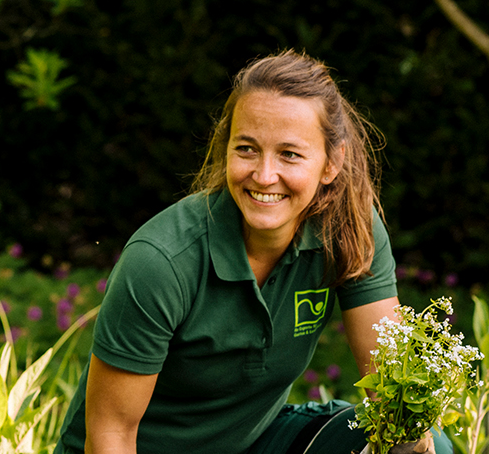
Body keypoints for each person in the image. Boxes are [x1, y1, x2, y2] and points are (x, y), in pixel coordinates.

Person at [55, 51, 448, 454]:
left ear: (332, 163)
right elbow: (111, 435)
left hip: (253, 443)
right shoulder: (161, 262)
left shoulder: (349, 228)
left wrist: (409, 444)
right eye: (246, 149)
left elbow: (390, 387)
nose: (264, 175)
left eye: (289, 154)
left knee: (427, 441)